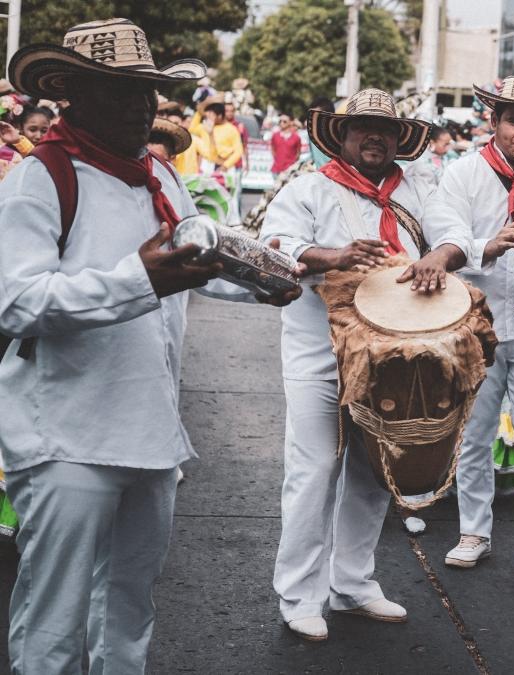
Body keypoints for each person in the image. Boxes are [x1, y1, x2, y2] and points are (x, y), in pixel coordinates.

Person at [0, 19, 299, 673]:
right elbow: (17, 302)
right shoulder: (38, 179)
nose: (141, 106)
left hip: (152, 435)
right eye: (120, 90)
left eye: (147, 91)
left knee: (129, 612)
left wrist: (271, 279)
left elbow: (203, 259)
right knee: (54, 624)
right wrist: (139, 278)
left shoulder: (160, 174)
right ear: (71, 93)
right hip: (66, 442)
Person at [259, 87, 436, 642]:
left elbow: (452, 236)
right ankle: (299, 595)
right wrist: (333, 256)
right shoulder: (310, 188)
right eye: (361, 128)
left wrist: (437, 258)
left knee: (372, 473)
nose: (374, 137)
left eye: (384, 130)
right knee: (314, 472)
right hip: (318, 354)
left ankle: (353, 584)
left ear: (399, 140)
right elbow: (275, 242)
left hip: (393, 360)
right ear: (342, 135)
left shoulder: (418, 191)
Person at [402, 75, 514, 591]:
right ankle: (473, 531)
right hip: (477, 323)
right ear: (494, 121)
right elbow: (444, 235)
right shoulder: (462, 173)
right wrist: (491, 243)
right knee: (474, 434)